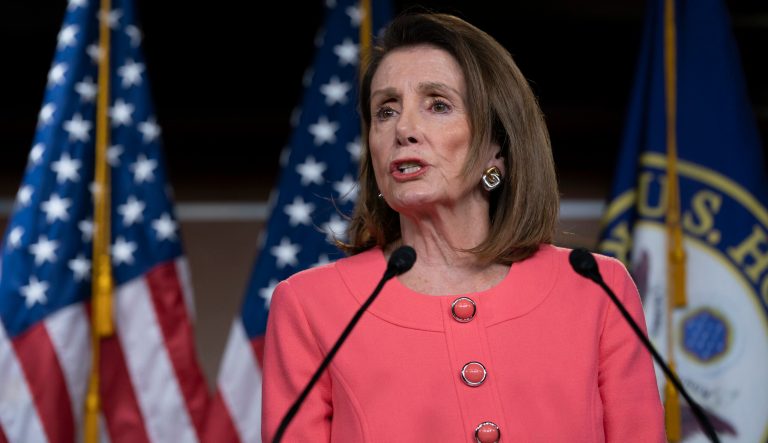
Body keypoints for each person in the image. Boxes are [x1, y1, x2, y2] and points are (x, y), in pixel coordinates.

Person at [261, 11, 665, 443]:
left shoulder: (596, 290)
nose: (403, 129)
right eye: (385, 111)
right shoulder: (309, 306)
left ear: (496, 148)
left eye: (438, 105)